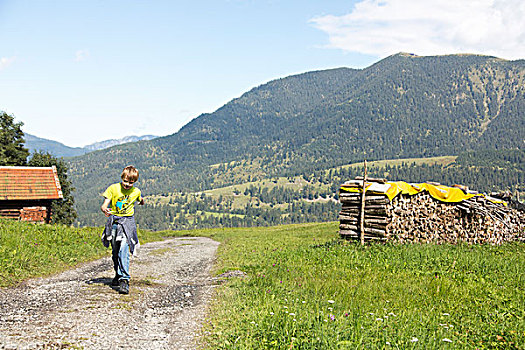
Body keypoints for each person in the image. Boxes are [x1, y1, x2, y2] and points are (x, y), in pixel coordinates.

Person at [100, 165, 145, 294]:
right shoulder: (113, 188)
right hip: (115, 222)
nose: (127, 185)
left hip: (128, 223)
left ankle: (124, 279)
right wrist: (104, 209)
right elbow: (105, 204)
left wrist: (142, 201)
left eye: (131, 183)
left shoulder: (136, 191)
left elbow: (140, 198)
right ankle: (118, 274)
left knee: (123, 249)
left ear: (134, 182)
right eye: (125, 181)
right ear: (122, 178)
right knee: (115, 251)